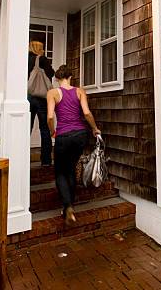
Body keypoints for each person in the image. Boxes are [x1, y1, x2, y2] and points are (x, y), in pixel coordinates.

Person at [46, 65, 101, 225]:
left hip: (63, 136)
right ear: (70, 77)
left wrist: (52, 132)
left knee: (60, 172)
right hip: (80, 135)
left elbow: (50, 117)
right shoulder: (80, 91)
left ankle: (67, 206)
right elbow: (86, 113)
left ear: (57, 78)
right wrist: (94, 128)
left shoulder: (53, 93)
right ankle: (70, 205)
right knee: (70, 169)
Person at [28, 41, 55, 166]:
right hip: (42, 98)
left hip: (28, 97)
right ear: (40, 49)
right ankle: (46, 161)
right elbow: (51, 73)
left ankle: (21, 156)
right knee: (44, 128)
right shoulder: (42, 59)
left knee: (26, 128)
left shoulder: (25, 59)